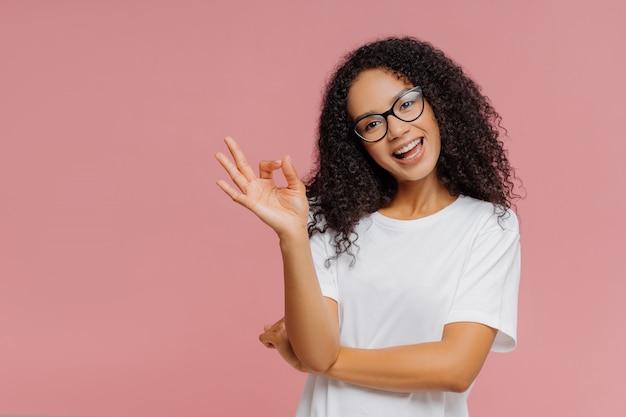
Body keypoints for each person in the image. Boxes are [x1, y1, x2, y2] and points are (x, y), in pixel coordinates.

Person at [215, 36, 521, 417]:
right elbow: (316, 349)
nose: (396, 130)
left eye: (406, 104)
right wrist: (291, 234)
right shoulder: (331, 221)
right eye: (373, 123)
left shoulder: (488, 226)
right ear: (358, 144)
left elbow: (456, 367)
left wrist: (322, 363)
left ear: (438, 102)